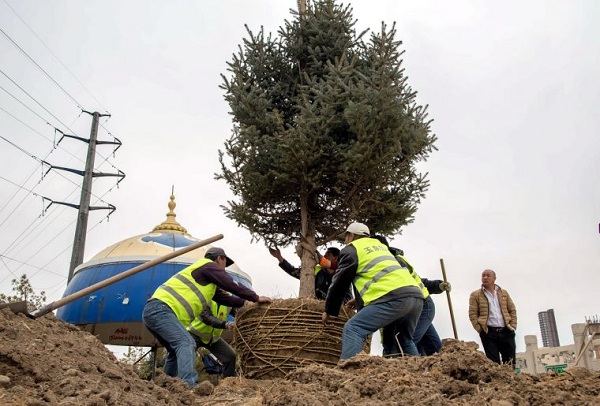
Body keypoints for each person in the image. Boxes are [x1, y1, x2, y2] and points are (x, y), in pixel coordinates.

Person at [142, 246, 271, 387]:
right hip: (161, 309)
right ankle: (188, 386)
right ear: (219, 258)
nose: (224, 269)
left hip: (157, 311)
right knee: (186, 343)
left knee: (174, 351)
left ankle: (166, 387)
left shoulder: (207, 284)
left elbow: (226, 298)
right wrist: (256, 297)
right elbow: (230, 283)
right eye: (224, 264)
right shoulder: (207, 265)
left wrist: (247, 303)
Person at [322, 222, 424, 359]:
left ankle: (347, 372)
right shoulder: (381, 247)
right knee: (404, 339)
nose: (345, 242)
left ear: (351, 236)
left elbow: (340, 282)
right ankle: (420, 373)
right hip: (416, 297)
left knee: (353, 328)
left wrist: (329, 310)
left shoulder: (352, 249)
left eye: (345, 238)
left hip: (393, 298)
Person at [374, 236, 450, 357]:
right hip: (410, 309)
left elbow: (415, 282)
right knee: (432, 344)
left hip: (421, 305)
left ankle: (417, 371)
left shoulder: (395, 261)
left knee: (406, 341)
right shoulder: (381, 264)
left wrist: (438, 286)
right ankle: (439, 368)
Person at [469, 269, 517, 366]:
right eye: (483, 275)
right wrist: (480, 330)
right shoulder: (476, 295)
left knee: (510, 362)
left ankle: (509, 380)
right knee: (493, 364)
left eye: (488, 275)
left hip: (506, 331)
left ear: (494, 278)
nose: (485, 278)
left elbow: (512, 309)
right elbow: (472, 314)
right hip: (489, 333)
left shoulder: (503, 293)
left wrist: (513, 326)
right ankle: (498, 382)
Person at [269, 246, 352, 302]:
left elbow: (348, 298)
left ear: (335, 258)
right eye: (325, 254)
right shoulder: (316, 270)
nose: (324, 256)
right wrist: (279, 257)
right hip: (315, 307)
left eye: (328, 254)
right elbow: (294, 271)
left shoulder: (342, 275)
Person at [188, 299, 238, 377]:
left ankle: (228, 383)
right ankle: (184, 382)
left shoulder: (228, 299)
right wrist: (226, 324)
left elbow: (238, 311)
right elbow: (207, 317)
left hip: (213, 339)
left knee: (230, 356)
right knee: (186, 355)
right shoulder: (206, 297)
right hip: (195, 334)